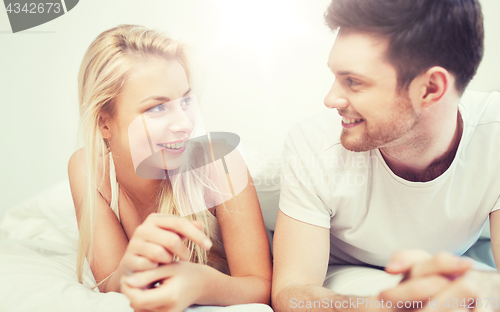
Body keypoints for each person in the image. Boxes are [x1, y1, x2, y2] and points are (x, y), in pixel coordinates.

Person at [272, 0, 500, 311]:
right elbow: (292, 292)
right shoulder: (313, 144)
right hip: (342, 274)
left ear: (431, 88)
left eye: (354, 81)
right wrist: (381, 308)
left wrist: (486, 294)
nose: (330, 99)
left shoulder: (495, 135)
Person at [68, 24, 272, 312]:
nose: (185, 124)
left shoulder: (219, 163)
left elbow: (260, 286)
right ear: (104, 123)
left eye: (186, 101)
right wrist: (129, 271)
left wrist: (202, 283)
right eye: (156, 108)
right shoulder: (86, 169)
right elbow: (110, 283)